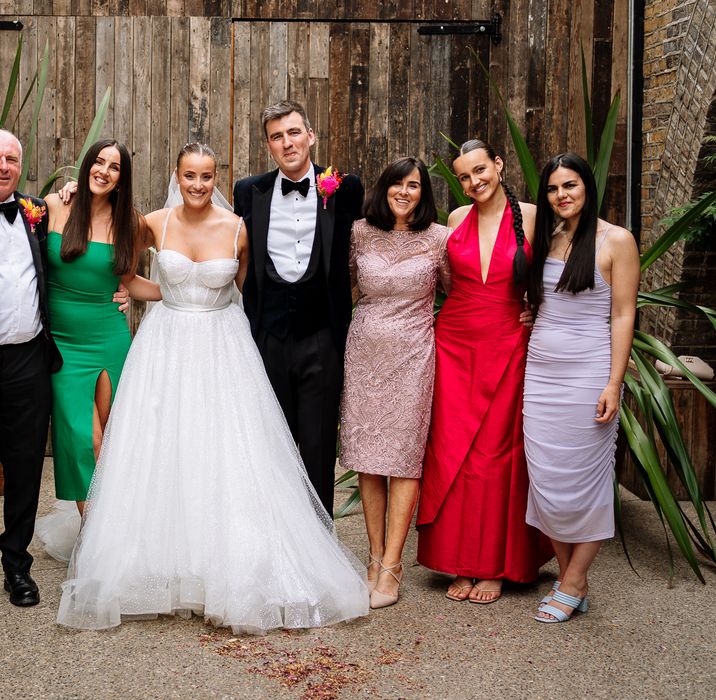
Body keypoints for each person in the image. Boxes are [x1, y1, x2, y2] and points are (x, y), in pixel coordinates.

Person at [57, 143, 369, 632]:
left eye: (206, 176)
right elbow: (119, 264)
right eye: (189, 176)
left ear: (216, 177)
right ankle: (163, 557)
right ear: (176, 176)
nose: (198, 185)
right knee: (163, 447)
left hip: (223, 345)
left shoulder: (238, 228)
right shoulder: (152, 223)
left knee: (227, 451)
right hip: (167, 342)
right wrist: (158, 292)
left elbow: (250, 290)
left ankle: (226, 558)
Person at [416, 139, 552, 605]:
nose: (475, 182)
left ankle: (493, 564)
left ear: (498, 164)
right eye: (465, 177)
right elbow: (448, 283)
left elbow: (557, 268)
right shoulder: (455, 220)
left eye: (481, 170)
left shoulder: (534, 216)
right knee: (453, 450)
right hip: (453, 343)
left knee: (496, 454)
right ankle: (459, 561)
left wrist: (538, 310)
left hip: (508, 342)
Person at [233, 101, 364, 516]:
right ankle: (279, 543)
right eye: (277, 136)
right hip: (267, 335)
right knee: (272, 443)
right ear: (268, 145)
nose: (287, 142)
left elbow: (375, 238)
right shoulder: (247, 191)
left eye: (293, 132)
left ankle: (320, 543)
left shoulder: (345, 187)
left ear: (311, 136)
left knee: (318, 444)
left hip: (322, 335)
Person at [524, 153, 639, 623]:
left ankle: (571, 581)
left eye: (569, 185)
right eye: (552, 189)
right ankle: (574, 578)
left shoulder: (617, 241)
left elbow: (623, 314)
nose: (561, 195)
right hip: (539, 375)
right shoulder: (547, 238)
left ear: (587, 186)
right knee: (545, 479)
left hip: (588, 375)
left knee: (585, 482)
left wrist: (614, 381)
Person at [339, 157, 450, 609]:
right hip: (364, 354)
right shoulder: (359, 232)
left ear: (424, 193)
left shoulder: (440, 239)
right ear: (383, 188)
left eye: (414, 186)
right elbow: (339, 287)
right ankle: (372, 556)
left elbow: (462, 292)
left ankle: (392, 566)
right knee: (368, 457)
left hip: (412, 359)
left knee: (403, 460)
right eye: (397, 184)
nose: (405, 192)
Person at [43, 139, 157, 517]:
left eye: (114, 167)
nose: (104, 171)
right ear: (87, 164)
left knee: (109, 443)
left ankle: (115, 533)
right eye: (98, 162)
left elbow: (131, 279)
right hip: (61, 344)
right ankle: (93, 541)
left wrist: (178, 293)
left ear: (122, 179)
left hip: (108, 337)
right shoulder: (55, 206)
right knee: (83, 439)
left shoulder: (132, 224)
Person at [0, 129, 62, 607]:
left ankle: (17, 566)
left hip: (27, 360)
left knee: (24, 466)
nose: (4, 165)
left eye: (12, 158)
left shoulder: (34, 212)